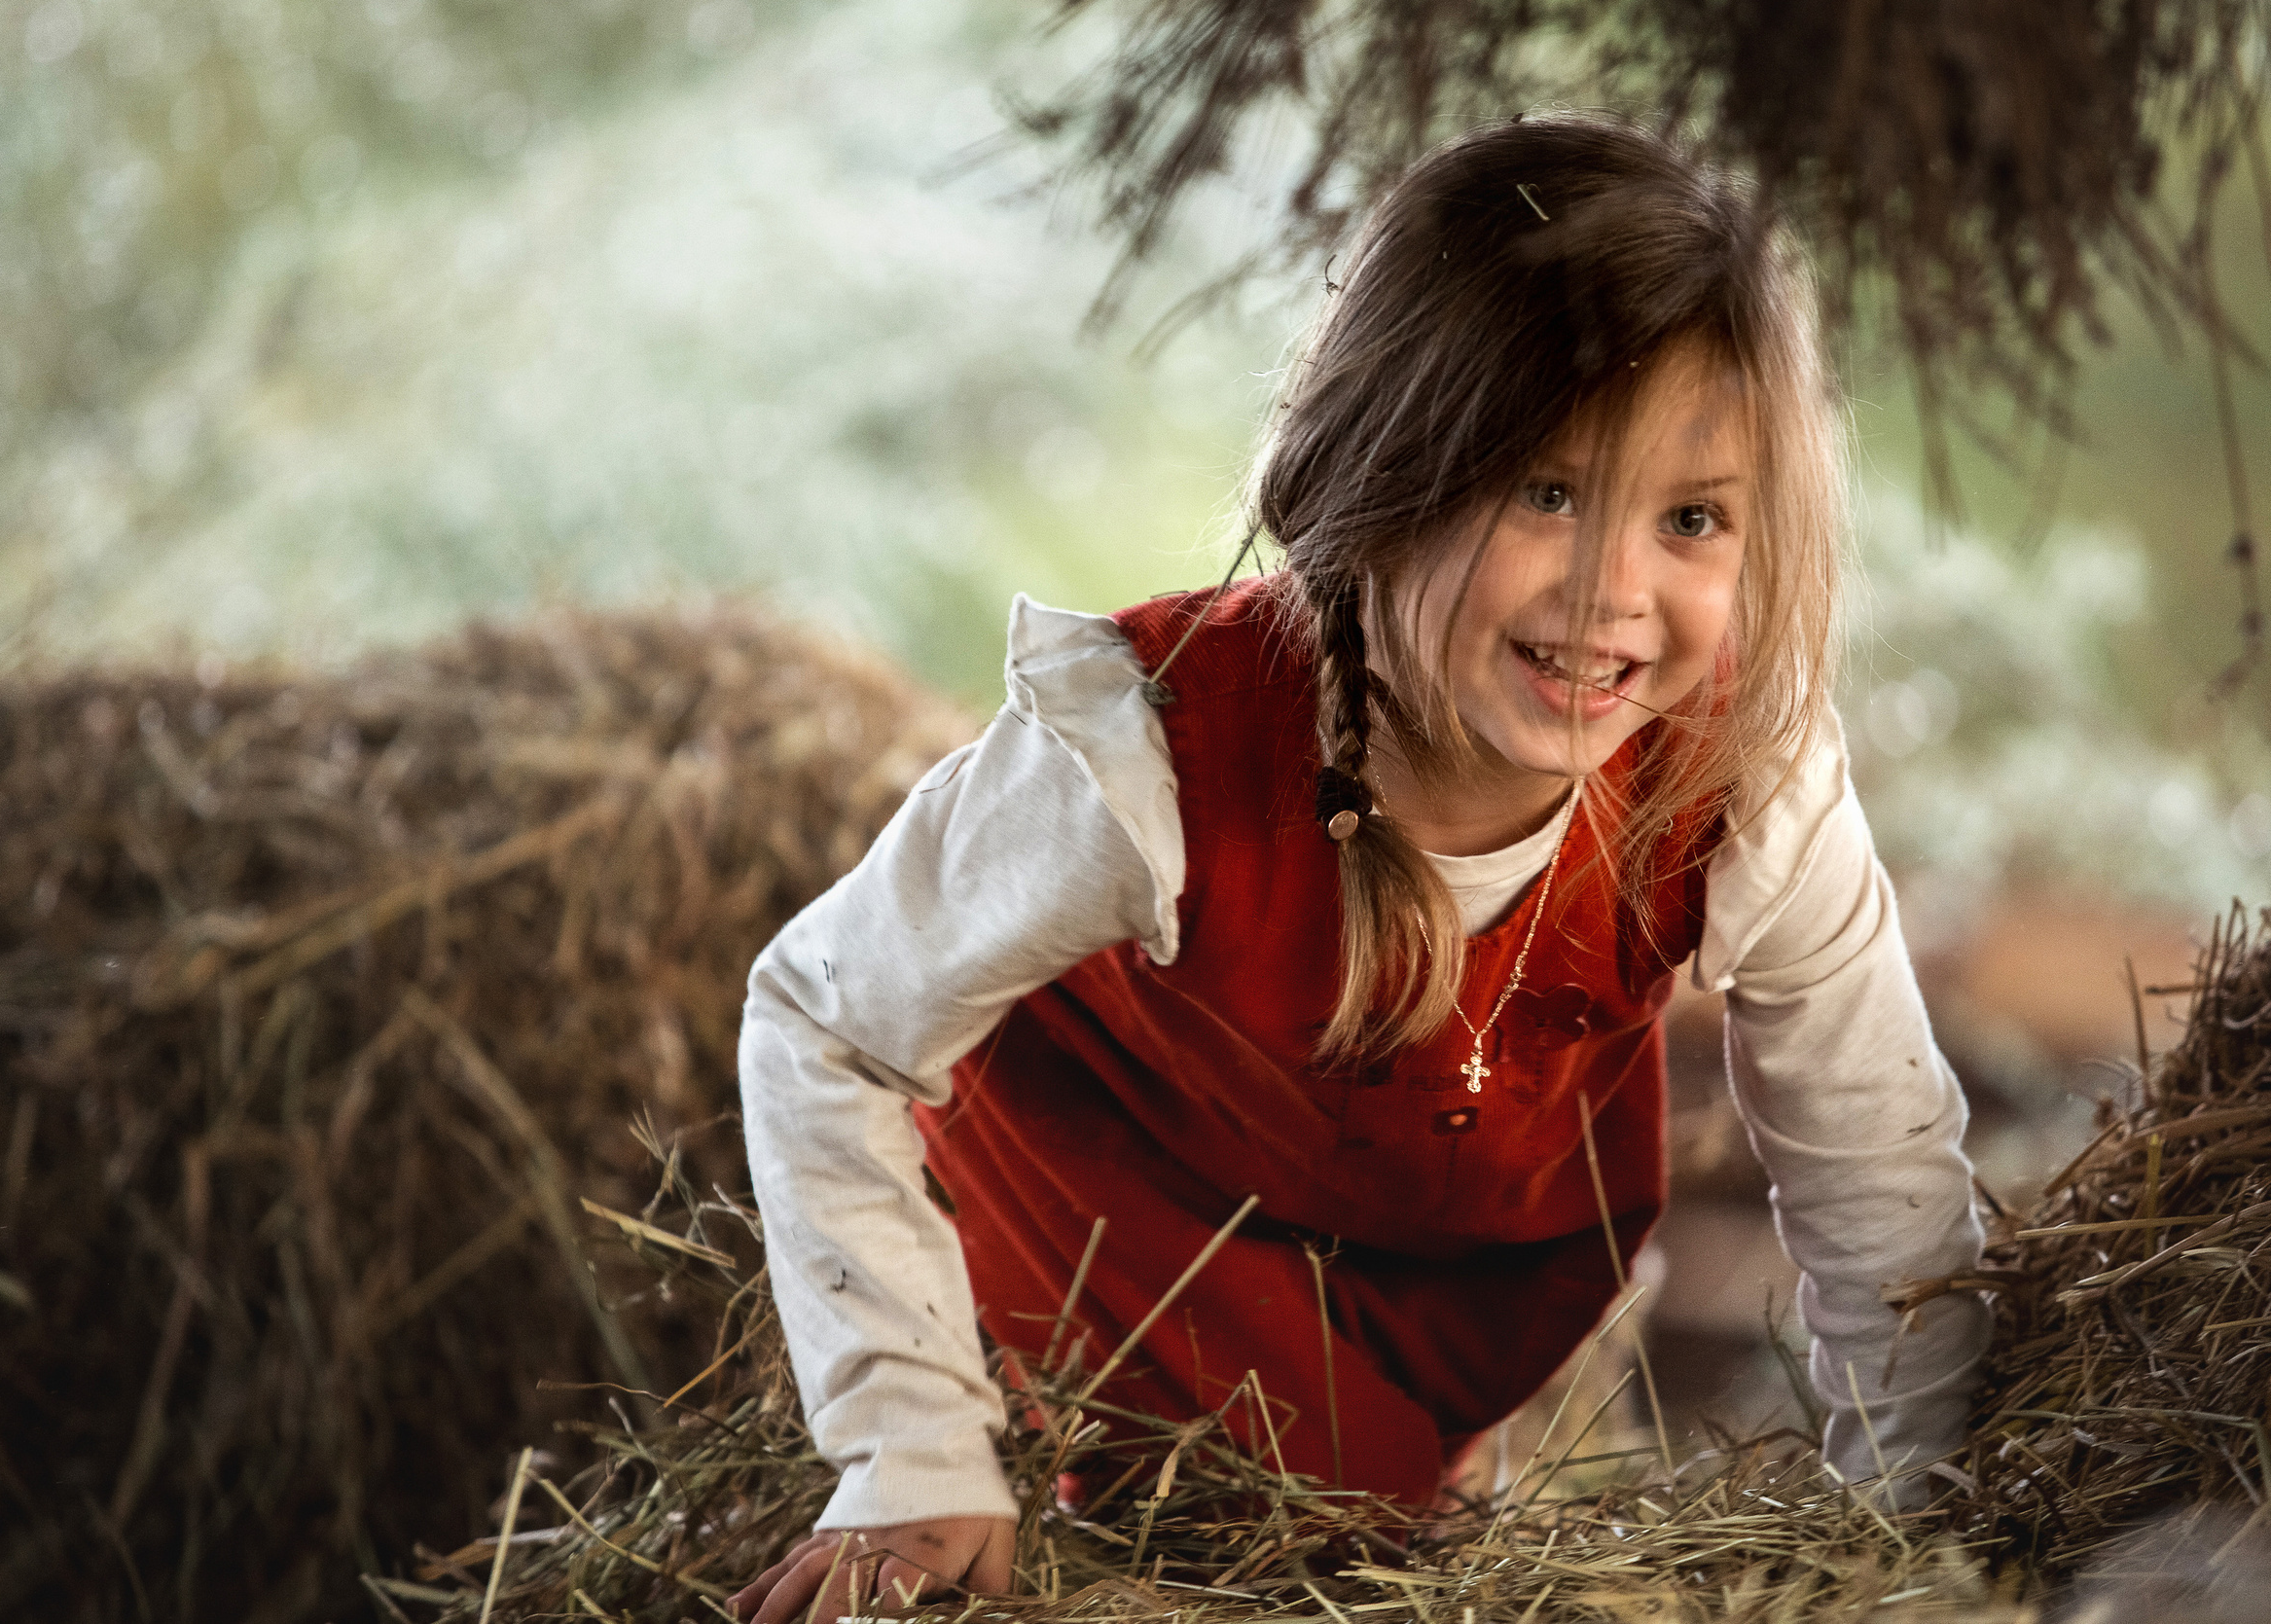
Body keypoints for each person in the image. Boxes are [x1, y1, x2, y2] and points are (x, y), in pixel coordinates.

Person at [729, 113, 1989, 1624]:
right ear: (1382, 469)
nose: (1613, 595)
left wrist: (1904, 1552)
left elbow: (1885, 1188)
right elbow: (820, 1018)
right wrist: (912, 1448)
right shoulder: (1143, 755)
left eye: (1693, 518)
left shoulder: (1748, 784)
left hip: (1428, 1311)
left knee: (1392, 1551)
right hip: (1103, 1267)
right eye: (1546, 490)